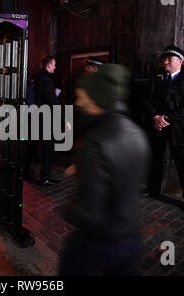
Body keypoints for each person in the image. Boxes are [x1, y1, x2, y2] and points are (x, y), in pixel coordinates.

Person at [59, 64, 150, 276]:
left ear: (96, 99)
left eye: (83, 97)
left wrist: (68, 211)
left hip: (98, 243)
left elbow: (90, 214)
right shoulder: (135, 132)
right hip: (132, 235)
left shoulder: (96, 142)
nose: (78, 102)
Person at [143, 46, 184, 216]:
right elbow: (145, 100)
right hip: (158, 126)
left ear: (180, 62)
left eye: (170, 59)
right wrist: (155, 117)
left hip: (181, 130)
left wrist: (165, 119)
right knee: (155, 160)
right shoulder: (156, 77)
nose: (165, 62)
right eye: (164, 59)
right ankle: (153, 190)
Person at [33, 55, 60, 186]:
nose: (55, 67)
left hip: (38, 116)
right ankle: (45, 178)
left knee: (43, 148)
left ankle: (44, 176)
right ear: (48, 65)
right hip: (47, 118)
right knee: (48, 150)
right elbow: (52, 101)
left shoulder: (37, 78)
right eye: (54, 64)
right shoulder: (47, 80)